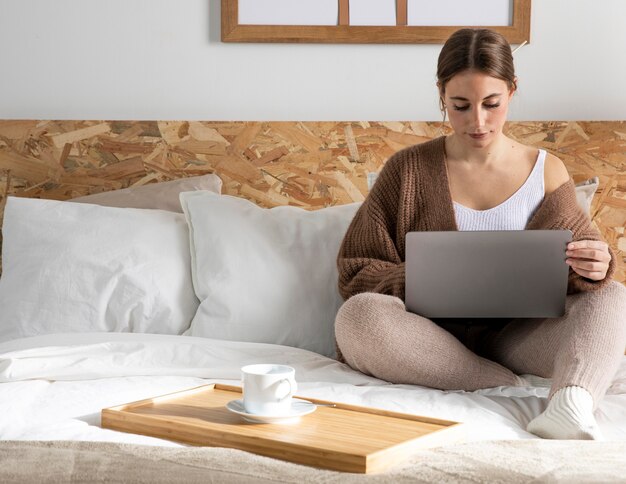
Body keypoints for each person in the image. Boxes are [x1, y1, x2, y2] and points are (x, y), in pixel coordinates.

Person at [334, 28, 626, 441]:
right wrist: (415, 277)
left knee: (614, 295)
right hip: (426, 342)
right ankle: (493, 380)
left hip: (522, 337)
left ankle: (571, 403)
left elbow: (584, 264)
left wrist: (596, 264)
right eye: (460, 106)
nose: (478, 121)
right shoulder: (407, 170)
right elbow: (356, 269)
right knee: (358, 317)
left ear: (512, 90)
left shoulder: (546, 170)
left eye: (492, 104)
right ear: (441, 95)